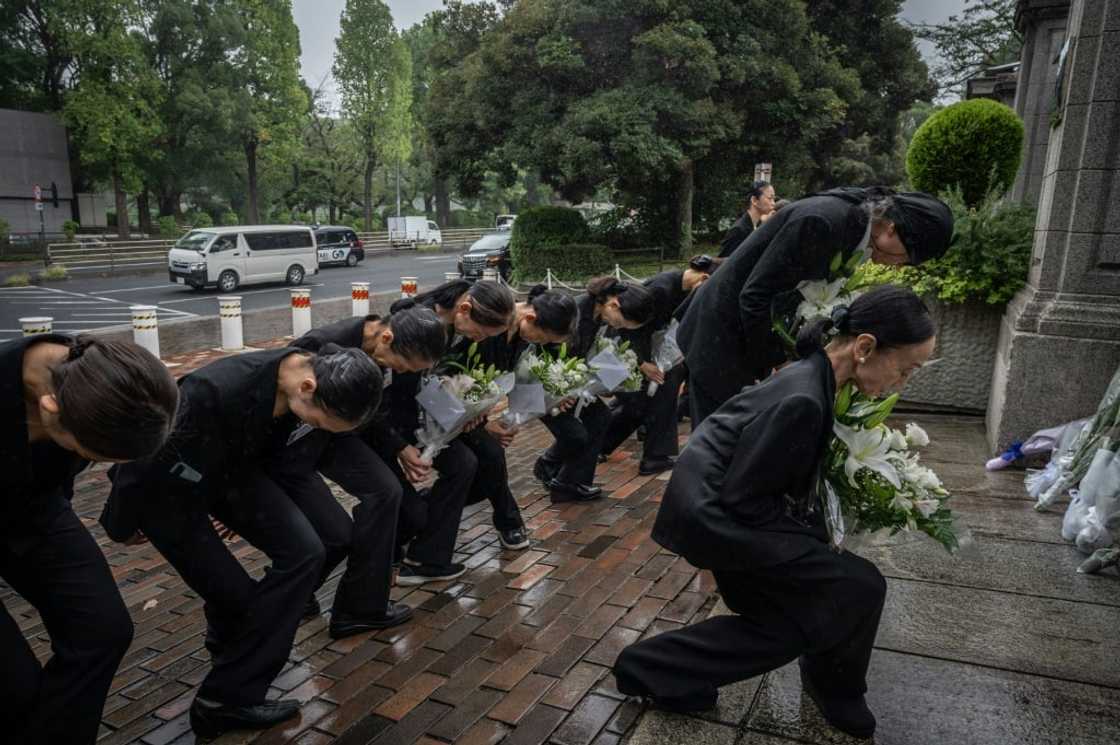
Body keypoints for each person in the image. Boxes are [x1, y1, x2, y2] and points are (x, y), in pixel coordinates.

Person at [613, 285, 938, 740]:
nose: (901, 383)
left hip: (721, 511)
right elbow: (746, 499)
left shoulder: (816, 375)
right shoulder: (805, 397)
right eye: (905, 370)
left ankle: (649, 667)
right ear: (865, 347)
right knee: (860, 585)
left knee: (791, 626)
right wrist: (813, 537)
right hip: (720, 521)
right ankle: (835, 687)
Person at [102, 347, 382, 740]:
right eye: (321, 421)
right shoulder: (212, 390)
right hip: (167, 492)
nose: (317, 429)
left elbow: (268, 450)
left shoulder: (309, 378)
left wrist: (247, 510)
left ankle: (231, 661)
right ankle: (222, 698)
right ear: (307, 387)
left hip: (231, 475)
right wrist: (121, 524)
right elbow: (144, 456)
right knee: (236, 598)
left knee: (307, 550)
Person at [1, 336, 178, 745]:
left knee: (103, 630)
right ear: (51, 410)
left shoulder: (99, 375)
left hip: (36, 509)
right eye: (88, 453)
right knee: (13, 688)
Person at [678, 186, 953, 427]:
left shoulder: (852, 224)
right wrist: (780, 361)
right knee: (716, 446)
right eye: (906, 259)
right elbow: (755, 295)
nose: (898, 266)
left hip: (744, 336)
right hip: (719, 337)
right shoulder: (823, 222)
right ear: (892, 229)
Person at [273, 308, 447, 638]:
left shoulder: (383, 352)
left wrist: (398, 447)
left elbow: (372, 412)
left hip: (337, 435)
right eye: (403, 365)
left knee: (386, 491)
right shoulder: (318, 347)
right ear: (386, 337)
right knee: (336, 536)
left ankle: (361, 608)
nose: (402, 372)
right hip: (293, 449)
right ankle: (285, 595)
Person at [387, 279, 516, 585]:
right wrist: (402, 444)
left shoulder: (456, 324)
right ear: (465, 308)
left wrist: (472, 410)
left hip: (437, 410)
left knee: (489, 456)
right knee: (462, 465)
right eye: (480, 332)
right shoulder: (421, 322)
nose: (479, 338)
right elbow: (401, 391)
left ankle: (422, 536)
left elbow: (452, 372)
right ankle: (423, 556)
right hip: (399, 418)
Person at [466, 285, 579, 546]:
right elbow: (465, 377)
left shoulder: (522, 335)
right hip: (455, 407)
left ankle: (428, 507)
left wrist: (527, 411)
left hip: (474, 411)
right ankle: (509, 521)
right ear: (530, 318)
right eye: (541, 339)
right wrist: (484, 424)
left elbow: (517, 376)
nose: (539, 345)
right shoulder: (487, 326)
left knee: (479, 472)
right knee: (490, 458)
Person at [534, 277, 655, 502]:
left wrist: (608, 378)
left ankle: (570, 482)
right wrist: (562, 389)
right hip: (543, 383)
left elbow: (590, 353)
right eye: (622, 323)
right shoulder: (574, 313)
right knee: (575, 434)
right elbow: (547, 353)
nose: (619, 328)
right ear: (613, 305)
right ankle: (550, 466)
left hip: (571, 382)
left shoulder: (598, 316)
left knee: (600, 416)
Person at [600, 255, 722, 474]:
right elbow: (633, 326)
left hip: (651, 348)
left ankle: (607, 446)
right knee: (646, 397)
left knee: (641, 400)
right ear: (704, 278)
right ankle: (652, 455)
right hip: (630, 346)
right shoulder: (661, 289)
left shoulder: (679, 289)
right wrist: (642, 363)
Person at [718, 180, 776, 258]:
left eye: (774, 199)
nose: (773, 203)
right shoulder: (738, 230)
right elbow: (723, 264)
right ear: (754, 200)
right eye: (770, 198)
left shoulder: (759, 226)